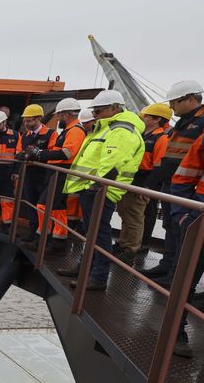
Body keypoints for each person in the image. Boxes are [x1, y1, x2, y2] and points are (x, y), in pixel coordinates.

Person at [57, 90, 145, 290]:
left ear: (115, 108)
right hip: (93, 188)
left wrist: (98, 186)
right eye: (94, 111)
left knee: (99, 235)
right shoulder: (108, 128)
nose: (95, 114)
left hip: (101, 191)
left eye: (99, 110)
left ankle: (98, 277)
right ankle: (85, 268)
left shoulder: (121, 130)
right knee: (92, 233)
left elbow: (114, 163)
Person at [141, 81, 204, 287]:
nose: (171, 108)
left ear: (191, 99)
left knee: (181, 230)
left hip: (188, 188)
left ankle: (176, 275)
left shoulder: (201, 121)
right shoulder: (183, 122)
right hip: (173, 183)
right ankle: (167, 264)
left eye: (175, 102)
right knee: (169, 225)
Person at [158, 81, 204, 356]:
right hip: (199, 220)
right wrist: (184, 215)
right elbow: (184, 175)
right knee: (185, 278)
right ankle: (176, 332)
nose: (173, 108)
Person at [26, 98, 87, 253]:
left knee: (43, 205)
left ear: (66, 114)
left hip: (61, 172)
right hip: (57, 172)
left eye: (59, 115)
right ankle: (58, 241)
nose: (58, 119)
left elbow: (66, 153)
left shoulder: (75, 130)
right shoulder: (69, 130)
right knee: (58, 207)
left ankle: (42, 239)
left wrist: (40, 153)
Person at [113, 104, 171, 262]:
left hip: (144, 180)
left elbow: (159, 167)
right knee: (125, 212)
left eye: (146, 116)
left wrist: (146, 187)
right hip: (133, 179)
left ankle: (131, 248)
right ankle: (123, 243)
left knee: (135, 217)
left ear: (157, 119)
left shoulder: (161, 138)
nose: (142, 118)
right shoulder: (144, 135)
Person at [17, 104, 58, 244]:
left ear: (39, 118)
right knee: (31, 205)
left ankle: (46, 237)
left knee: (44, 207)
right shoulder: (24, 136)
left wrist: (34, 155)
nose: (26, 124)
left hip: (45, 176)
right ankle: (33, 233)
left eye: (29, 121)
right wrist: (27, 155)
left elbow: (52, 154)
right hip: (29, 176)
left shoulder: (51, 134)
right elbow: (18, 153)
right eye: (25, 121)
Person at [66, 108, 97, 232]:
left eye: (86, 123)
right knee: (74, 203)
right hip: (79, 177)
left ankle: (81, 229)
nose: (84, 125)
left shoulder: (96, 136)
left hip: (90, 179)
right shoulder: (85, 135)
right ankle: (73, 227)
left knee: (85, 208)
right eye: (83, 123)